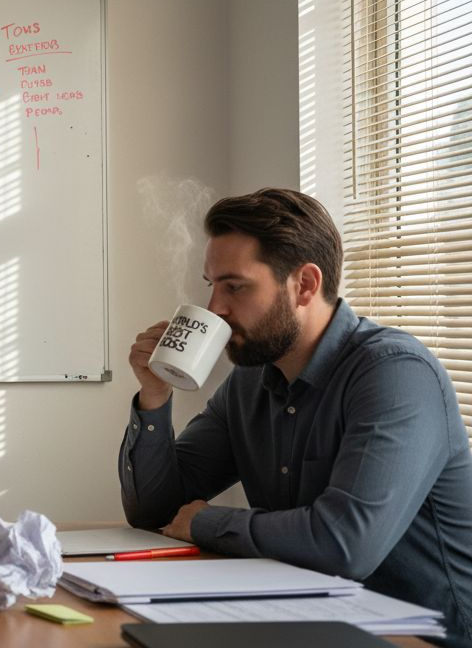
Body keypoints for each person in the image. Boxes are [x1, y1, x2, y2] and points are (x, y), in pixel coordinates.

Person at [121, 187, 472, 646]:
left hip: (421, 638)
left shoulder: (394, 373)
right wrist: (154, 394)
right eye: (212, 286)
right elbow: (154, 510)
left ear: (304, 284)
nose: (215, 310)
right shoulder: (249, 383)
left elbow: (344, 545)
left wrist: (206, 522)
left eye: (235, 286)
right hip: (310, 622)